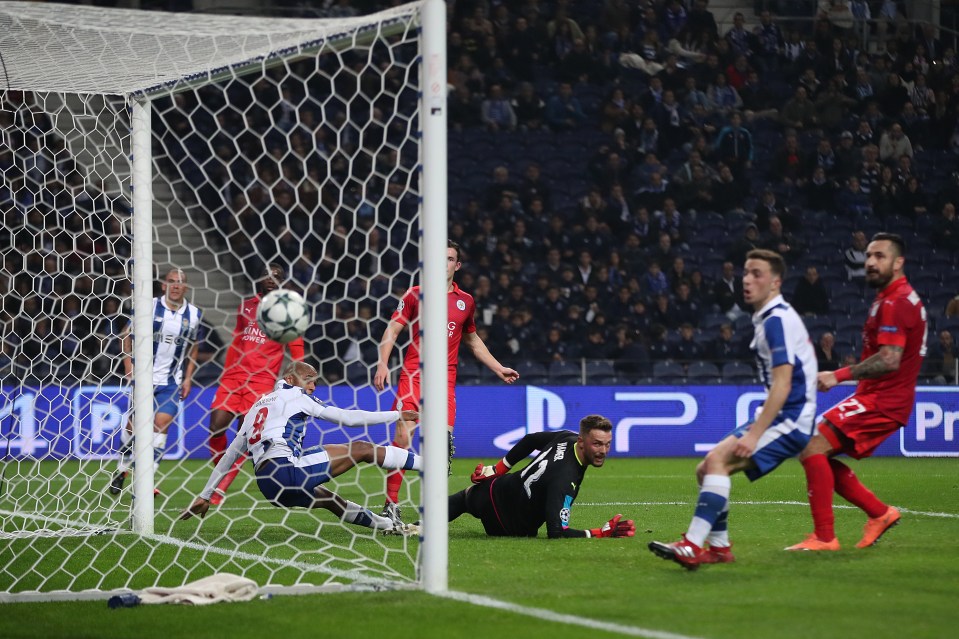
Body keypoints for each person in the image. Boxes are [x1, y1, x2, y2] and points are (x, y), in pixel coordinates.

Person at [648, 249, 817, 569]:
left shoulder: (776, 321)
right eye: (746, 273)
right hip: (785, 415)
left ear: (776, 282)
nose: (748, 280)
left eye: (757, 274)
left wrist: (754, 435)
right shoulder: (771, 316)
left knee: (717, 462)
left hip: (792, 419)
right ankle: (720, 548)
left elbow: (782, 385)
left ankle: (692, 545)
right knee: (706, 469)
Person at [787, 233, 927, 551]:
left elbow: (890, 359)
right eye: (868, 256)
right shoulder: (891, 297)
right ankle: (879, 513)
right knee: (813, 451)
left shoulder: (895, 301)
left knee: (811, 446)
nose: (871, 262)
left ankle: (825, 537)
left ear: (899, 262)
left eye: (880, 256)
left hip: (884, 400)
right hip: (875, 396)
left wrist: (838, 375)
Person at [373, 241, 519, 525]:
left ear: (457, 265)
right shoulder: (415, 294)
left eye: (450, 259)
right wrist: (382, 363)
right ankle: (391, 504)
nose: (444, 264)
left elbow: (473, 341)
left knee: (442, 447)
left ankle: (435, 507)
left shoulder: (465, 302)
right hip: (413, 376)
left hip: (444, 382)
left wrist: (498, 367)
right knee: (403, 438)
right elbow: (393, 329)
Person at [180, 362, 421, 534]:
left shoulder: (257, 406)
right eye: (309, 379)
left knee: (329, 500)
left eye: (316, 380)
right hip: (286, 471)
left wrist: (205, 495)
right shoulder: (295, 395)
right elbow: (347, 418)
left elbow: (230, 454)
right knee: (360, 449)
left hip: (268, 485)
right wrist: (396, 415)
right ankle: (430, 465)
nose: (314, 386)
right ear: (291, 379)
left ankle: (389, 526)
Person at [206, 264, 306, 505]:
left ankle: (222, 486)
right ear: (259, 279)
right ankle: (222, 470)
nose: (271, 279)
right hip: (234, 377)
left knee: (245, 433)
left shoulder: (288, 311)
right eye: (267, 275)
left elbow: (297, 350)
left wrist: (299, 381)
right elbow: (237, 340)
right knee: (216, 426)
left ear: (282, 282)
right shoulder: (246, 306)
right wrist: (227, 371)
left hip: (262, 379)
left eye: (277, 276)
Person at [450, 414, 635, 539]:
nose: (603, 451)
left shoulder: (566, 437)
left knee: (466, 497)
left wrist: (498, 469)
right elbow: (555, 532)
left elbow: (530, 440)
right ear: (581, 441)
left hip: (492, 491)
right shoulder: (565, 479)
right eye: (597, 444)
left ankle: (421, 524)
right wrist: (599, 533)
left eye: (607, 444)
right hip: (509, 527)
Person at [109, 268, 202, 495]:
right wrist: (129, 367)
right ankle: (121, 470)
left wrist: (188, 377)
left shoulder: (194, 314)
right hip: (143, 379)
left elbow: (194, 346)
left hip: (171, 381)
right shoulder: (148, 306)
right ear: (163, 285)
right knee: (133, 426)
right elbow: (126, 335)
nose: (176, 285)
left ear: (186, 287)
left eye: (180, 282)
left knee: (160, 428)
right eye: (171, 281)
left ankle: (145, 480)